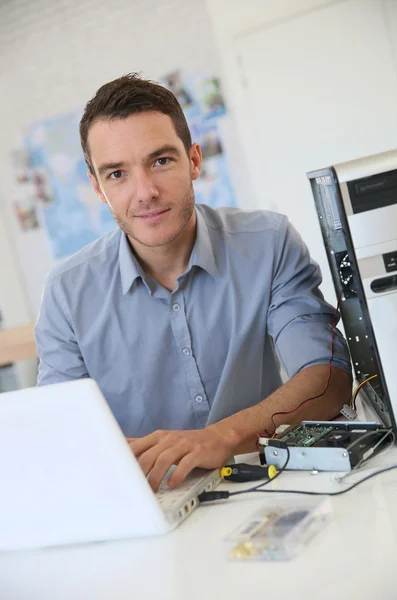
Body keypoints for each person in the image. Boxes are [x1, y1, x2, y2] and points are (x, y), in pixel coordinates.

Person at [35, 73, 352, 492]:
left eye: (161, 161)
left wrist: (221, 437)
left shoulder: (268, 243)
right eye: (117, 174)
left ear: (195, 161)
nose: (144, 192)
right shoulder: (66, 292)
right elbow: (56, 432)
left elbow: (327, 379)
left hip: (266, 482)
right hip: (150, 502)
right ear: (97, 187)